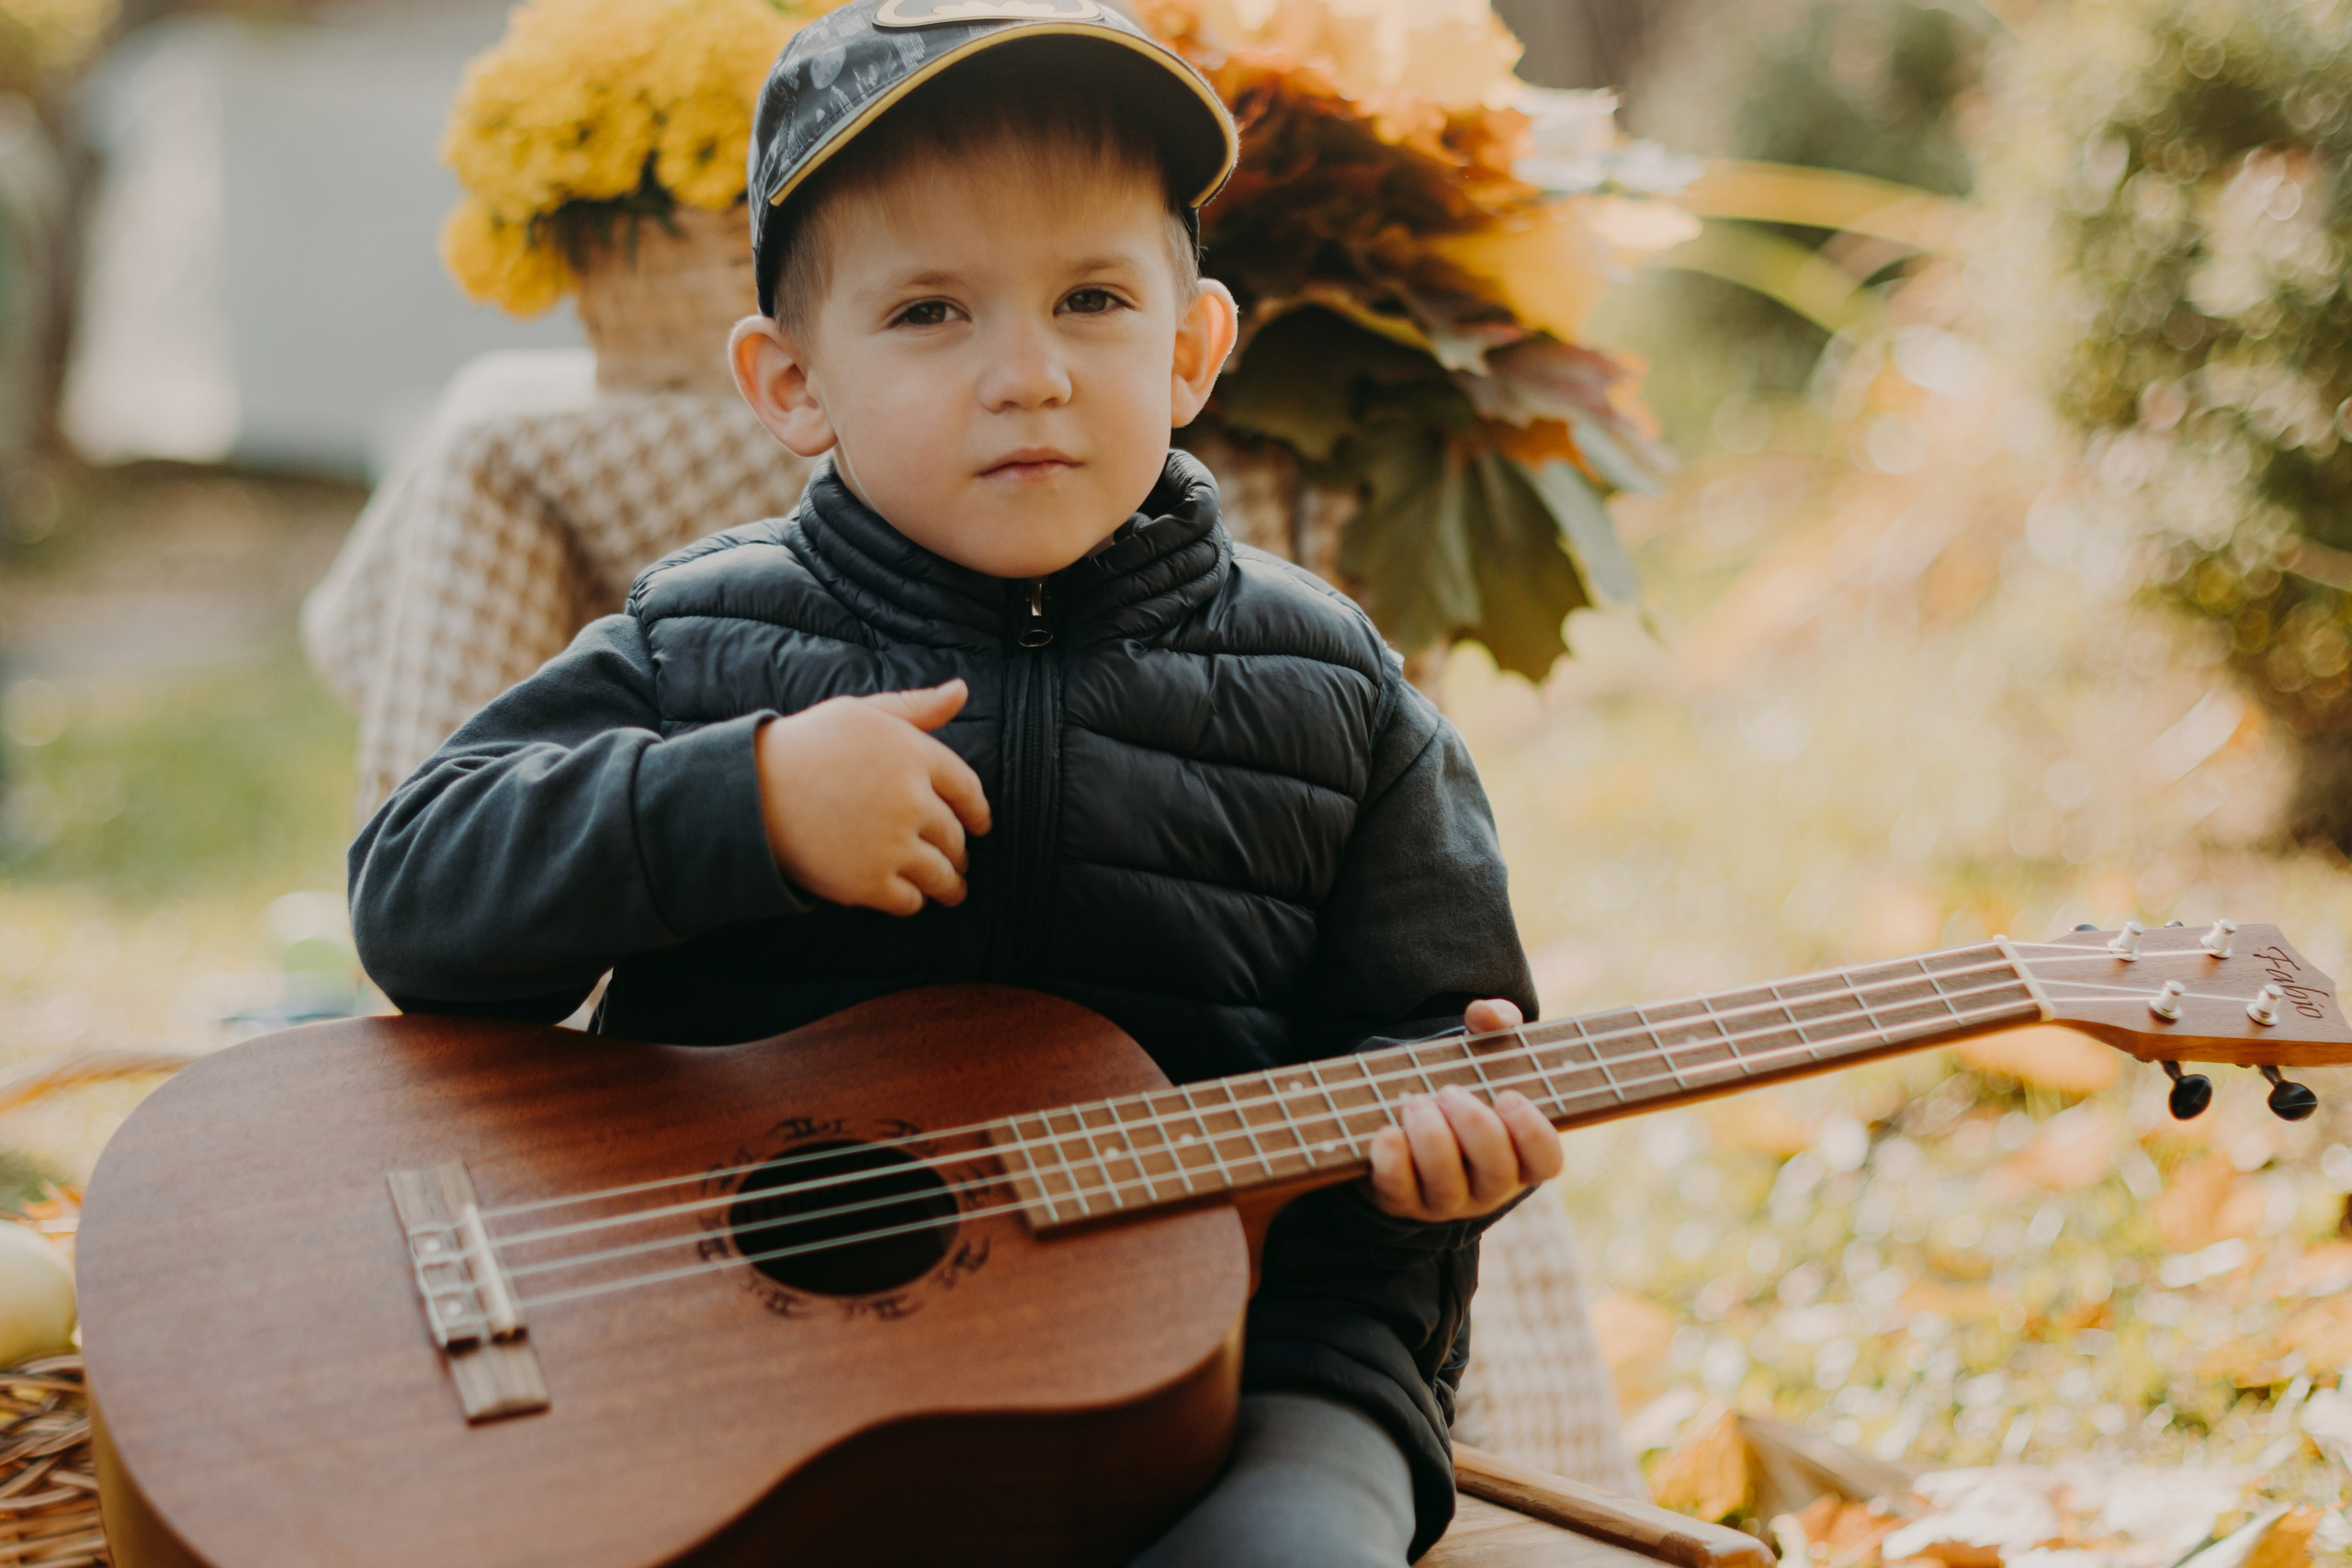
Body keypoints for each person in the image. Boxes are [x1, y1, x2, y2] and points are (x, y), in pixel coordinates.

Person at [347, 3, 1564, 1561]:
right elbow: (412, 895)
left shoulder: (1341, 693)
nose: (1030, 373)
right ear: (791, 381)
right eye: (931, 313)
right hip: (730, 1368)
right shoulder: (700, 644)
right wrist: (746, 802)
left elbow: (1426, 1034)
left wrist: (1444, 1172)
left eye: (1093, 298)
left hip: (1246, 1381)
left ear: (1193, 349)